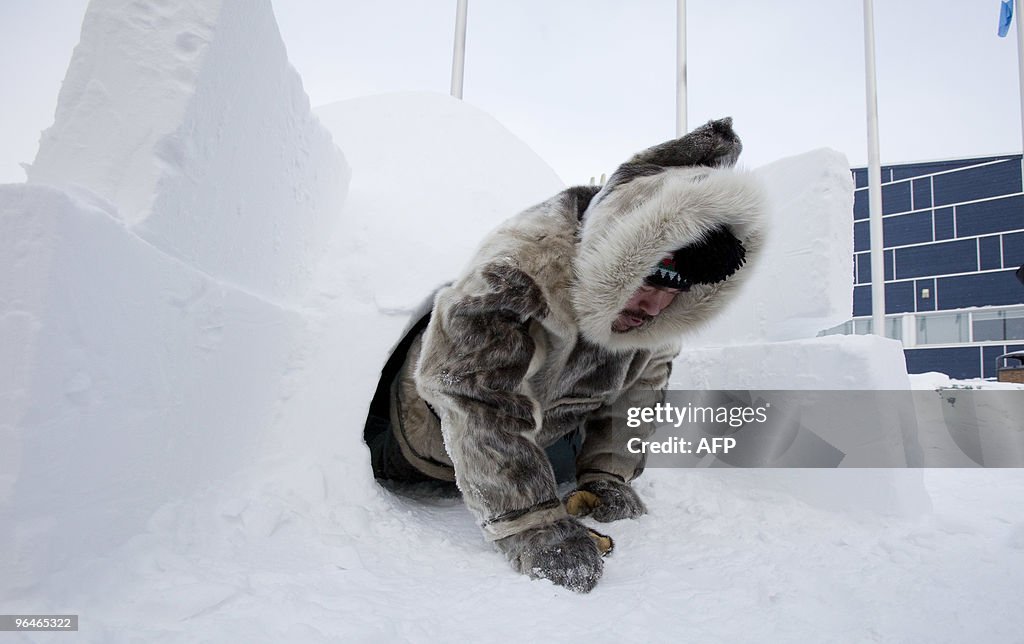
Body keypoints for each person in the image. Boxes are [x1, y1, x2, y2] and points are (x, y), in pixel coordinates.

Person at [363, 117, 766, 592]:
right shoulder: (521, 269)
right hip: (426, 444)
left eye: (675, 291)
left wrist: (607, 476)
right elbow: (472, 394)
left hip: (542, 428)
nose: (655, 305)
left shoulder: (655, 315)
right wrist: (531, 524)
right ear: (623, 251)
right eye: (650, 279)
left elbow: (641, 390)